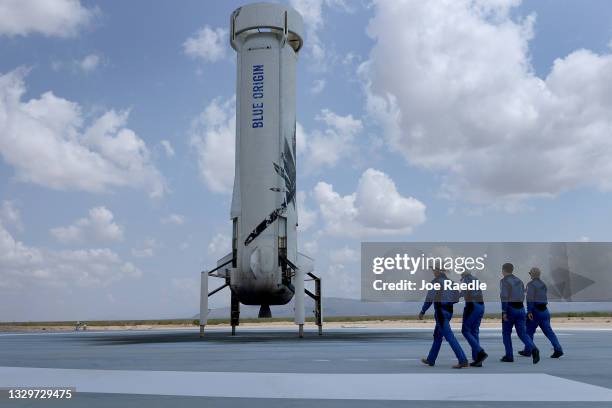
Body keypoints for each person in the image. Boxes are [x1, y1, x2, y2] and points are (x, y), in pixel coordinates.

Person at [419, 265, 469, 369]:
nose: (433, 272)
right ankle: (431, 359)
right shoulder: (451, 282)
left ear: (438, 271)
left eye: (434, 270)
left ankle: (463, 360)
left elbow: (429, 298)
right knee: (437, 336)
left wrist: (422, 311)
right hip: (448, 312)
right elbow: (456, 298)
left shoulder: (435, 282)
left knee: (449, 337)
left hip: (440, 313)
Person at [519, 267, 564, 359]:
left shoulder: (530, 284)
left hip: (535, 311)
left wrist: (529, 312)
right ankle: (558, 349)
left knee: (528, 331)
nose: (529, 275)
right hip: (545, 311)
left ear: (532, 274)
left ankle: (528, 350)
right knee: (549, 332)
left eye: (530, 273)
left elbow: (530, 299)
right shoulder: (543, 284)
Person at [499, 262, 540, 364]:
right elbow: (523, 295)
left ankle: (509, 356)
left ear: (503, 270)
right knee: (522, 333)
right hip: (521, 309)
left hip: (510, 309)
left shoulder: (504, 281)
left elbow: (504, 297)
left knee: (506, 333)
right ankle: (534, 348)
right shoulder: (520, 281)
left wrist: (504, 311)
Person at [460, 271, 488, 367]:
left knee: (465, 330)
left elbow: (463, 293)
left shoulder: (465, 280)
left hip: (472, 306)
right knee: (474, 331)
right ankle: (477, 359)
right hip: (481, 306)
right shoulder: (476, 279)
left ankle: (480, 352)